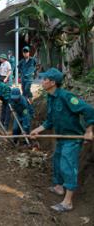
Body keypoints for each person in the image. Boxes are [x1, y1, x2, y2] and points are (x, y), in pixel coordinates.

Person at [30, 68, 94, 212]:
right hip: (61, 137)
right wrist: (37, 130)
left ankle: (68, 202)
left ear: (52, 82)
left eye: (45, 79)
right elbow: (50, 121)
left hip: (72, 139)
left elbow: (89, 110)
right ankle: (59, 187)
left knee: (67, 166)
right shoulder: (51, 98)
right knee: (57, 161)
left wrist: (89, 131)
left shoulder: (66, 96)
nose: (42, 81)